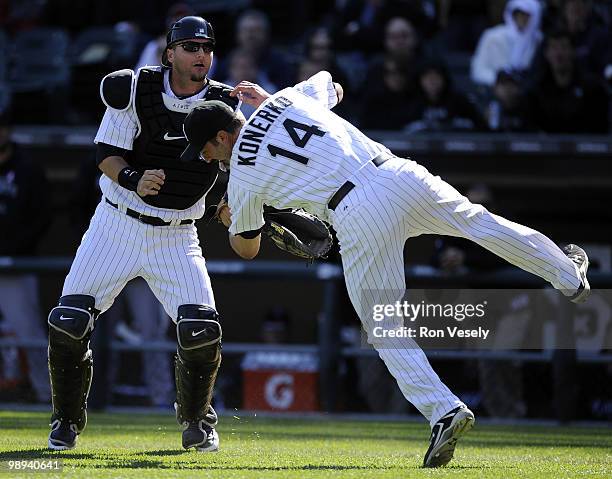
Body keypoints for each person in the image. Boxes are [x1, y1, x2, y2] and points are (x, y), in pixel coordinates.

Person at [179, 71, 591, 467]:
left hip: (356, 210)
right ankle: (567, 273)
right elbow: (334, 87)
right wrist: (270, 104)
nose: (207, 159)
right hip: (397, 173)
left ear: (221, 136)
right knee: (478, 222)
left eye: (206, 150)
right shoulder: (286, 97)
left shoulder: (243, 177)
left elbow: (246, 249)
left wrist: (238, 221)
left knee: (382, 324)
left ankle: (443, 410)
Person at [46, 16, 235, 453]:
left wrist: (231, 208)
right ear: (169, 53)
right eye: (189, 46)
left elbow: (236, 168)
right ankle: (66, 420)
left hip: (178, 233)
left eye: (206, 47)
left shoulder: (227, 103)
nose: (200, 54)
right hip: (118, 221)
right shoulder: (134, 89)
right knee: (68, 322)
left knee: (202, 330)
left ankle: (198, 421)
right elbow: (105, 154)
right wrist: (132, 178)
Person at [0, 109, 51, 404]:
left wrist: (16, 248)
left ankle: (46, 394)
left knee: (30, 334)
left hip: (18, 265)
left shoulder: (27, 168)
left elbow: (42, 216)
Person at [526, 29, 609, 133]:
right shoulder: (536, 90)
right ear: (546, 53)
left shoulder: (592, 88)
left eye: (564, 47)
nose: (559, 54)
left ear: (573, 51)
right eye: (554, 48)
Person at [471, 0, 542, 86]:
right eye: (518, 14)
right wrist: (503, 82)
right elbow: (478, 70)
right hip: (494, 89)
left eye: (526, 15)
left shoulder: (539, 41)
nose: (521, 18)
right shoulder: (492, 36)